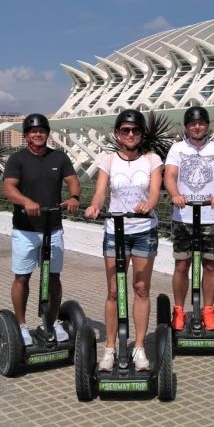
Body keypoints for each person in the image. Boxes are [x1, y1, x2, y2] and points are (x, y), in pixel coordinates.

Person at [85, 109, 163, 371]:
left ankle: (139, 348)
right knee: (113, 291)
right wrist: (94, 206)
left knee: (141, 288)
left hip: (143, 230)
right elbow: (100, 193)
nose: (130, 134)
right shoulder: (108, 160)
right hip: (115, 231)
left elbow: (155, 194)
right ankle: (110, 348)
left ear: (141, 134)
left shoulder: (152, 160)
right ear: (117, 134)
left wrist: (147, 204)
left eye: (135, 130)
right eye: (125, 130)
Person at [2, 113, 81, 346]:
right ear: (26, 135)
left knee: (54, 277)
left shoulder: (59, 157)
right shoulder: (17, 159)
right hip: (25, 229)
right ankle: (22, 325)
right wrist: (25, 201)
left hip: (53, 227)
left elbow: (73, 180)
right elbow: (8, 188)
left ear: (47, 134)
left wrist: (74, 197)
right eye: (33, 131)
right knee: (22, 277)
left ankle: (52, 321)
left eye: (42, 131)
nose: (38, 134)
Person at [164, 106, 214, 331]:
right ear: (186, 127)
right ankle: (178, 310)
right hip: (183, 216)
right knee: (182, 265)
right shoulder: (177, 149)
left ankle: (208, 310)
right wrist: (175, 194)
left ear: (207, 125)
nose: (197, 127)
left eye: (201, 123)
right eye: (193, 124)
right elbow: (170, 175)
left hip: (210, 216)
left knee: (210, 265)